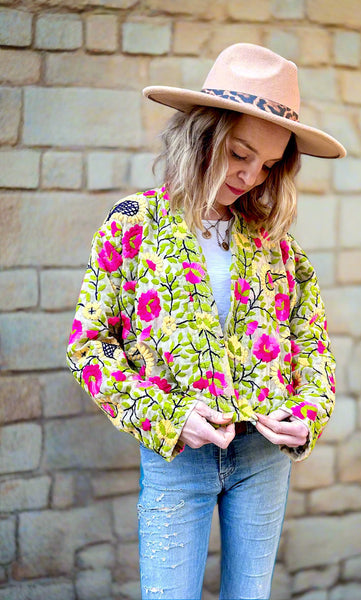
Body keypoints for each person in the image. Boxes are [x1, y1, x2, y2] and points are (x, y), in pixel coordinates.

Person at [67, 43, 345, 600]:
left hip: (265, 457)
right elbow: (89, 346)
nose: (250, 175)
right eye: (240, 152)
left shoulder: (277, 247)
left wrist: (309, 413)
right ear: (203, 133)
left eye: (267, 165)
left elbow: (310, 343)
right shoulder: (133, 226)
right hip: (177, 456)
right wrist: (166, 413)